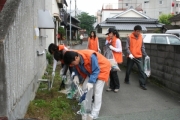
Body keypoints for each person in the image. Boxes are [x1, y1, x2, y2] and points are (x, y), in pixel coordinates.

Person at [63, 50, 111, 119]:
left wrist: (91, 82)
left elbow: (96, 70)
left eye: (73, 63)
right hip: (91, 70)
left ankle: (95, 113)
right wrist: (75, 75)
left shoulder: (91, 56)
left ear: (76, 58)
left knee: (97, 91)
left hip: (102, 68)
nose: (73, 65)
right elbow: (74, 67)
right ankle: (87, 109)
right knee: (85, 88)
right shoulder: (75, 57)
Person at [124, 25, 149, 90]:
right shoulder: (129, 37)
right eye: (137, 31)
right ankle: (126, 79)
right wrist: (129, 54)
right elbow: (126, 47)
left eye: (139, 31)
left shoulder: (141, 37)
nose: (138, 33)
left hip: (139, 56)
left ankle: (142, 84)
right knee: (128, 69)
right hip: (131, 57)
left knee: (141, 70)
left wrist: (145, 55)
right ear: (134, 31)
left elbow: (142, 47)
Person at [105, 28, 123, 93]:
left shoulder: (117, 40)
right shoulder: (109, 40)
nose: (108, 35)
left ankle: (117, 86)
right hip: (109, 58)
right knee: (110, 73)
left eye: (109, 33)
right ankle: (111, 86)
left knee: (114, 73)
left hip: (114, 59)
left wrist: (112, 48)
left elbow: (120, 50)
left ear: (112, 33)